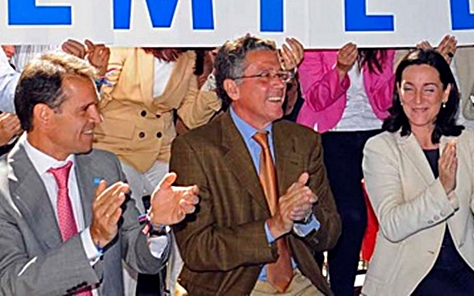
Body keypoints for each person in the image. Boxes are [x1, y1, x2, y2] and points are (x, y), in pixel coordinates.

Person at [0, 51, 198, 295]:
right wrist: (91, 241)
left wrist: (156, 225)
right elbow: (13, 284)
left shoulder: (105, 166)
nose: (97, 118)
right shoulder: (4, 188)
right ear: (44, 115)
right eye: (85, 110)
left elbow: (143, 260)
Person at [170, 35, 342, 295]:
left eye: (281, 75)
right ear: (232, 89)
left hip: (298, 279)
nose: (279, 85)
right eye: (264, 76)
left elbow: (330, 235)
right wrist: (273, 227)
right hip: (235, 284)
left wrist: (304, 217)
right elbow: (198, 249)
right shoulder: (196, 149)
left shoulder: (304, 141)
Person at [361, 49, 474, 296]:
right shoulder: (380, 147)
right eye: (409, 89)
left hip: (468, 267)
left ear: (446, 93)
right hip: (409, 276)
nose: (418, 99)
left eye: (429, 89)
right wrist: (442, 188)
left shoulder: (464, 139)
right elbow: (393, 225)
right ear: (398, 92)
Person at [96, 47, 222, 294]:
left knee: (189, 208)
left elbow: (192, 117)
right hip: (114, 151)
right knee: (126, 220)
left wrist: (215, 76)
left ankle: (179, 289)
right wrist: (97, 74)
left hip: (161, 152)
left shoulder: (187, 56)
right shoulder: (121, 47)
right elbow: (96, 102)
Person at [296, 44, 398, 296]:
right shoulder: (316, 41)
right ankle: (338, 290)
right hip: (332, 134)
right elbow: (315, 98)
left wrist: (403, 70)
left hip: (378, 131)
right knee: (351, 217)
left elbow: (386, 100)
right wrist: (340, 70)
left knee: (395, 213)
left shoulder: (382, 41)